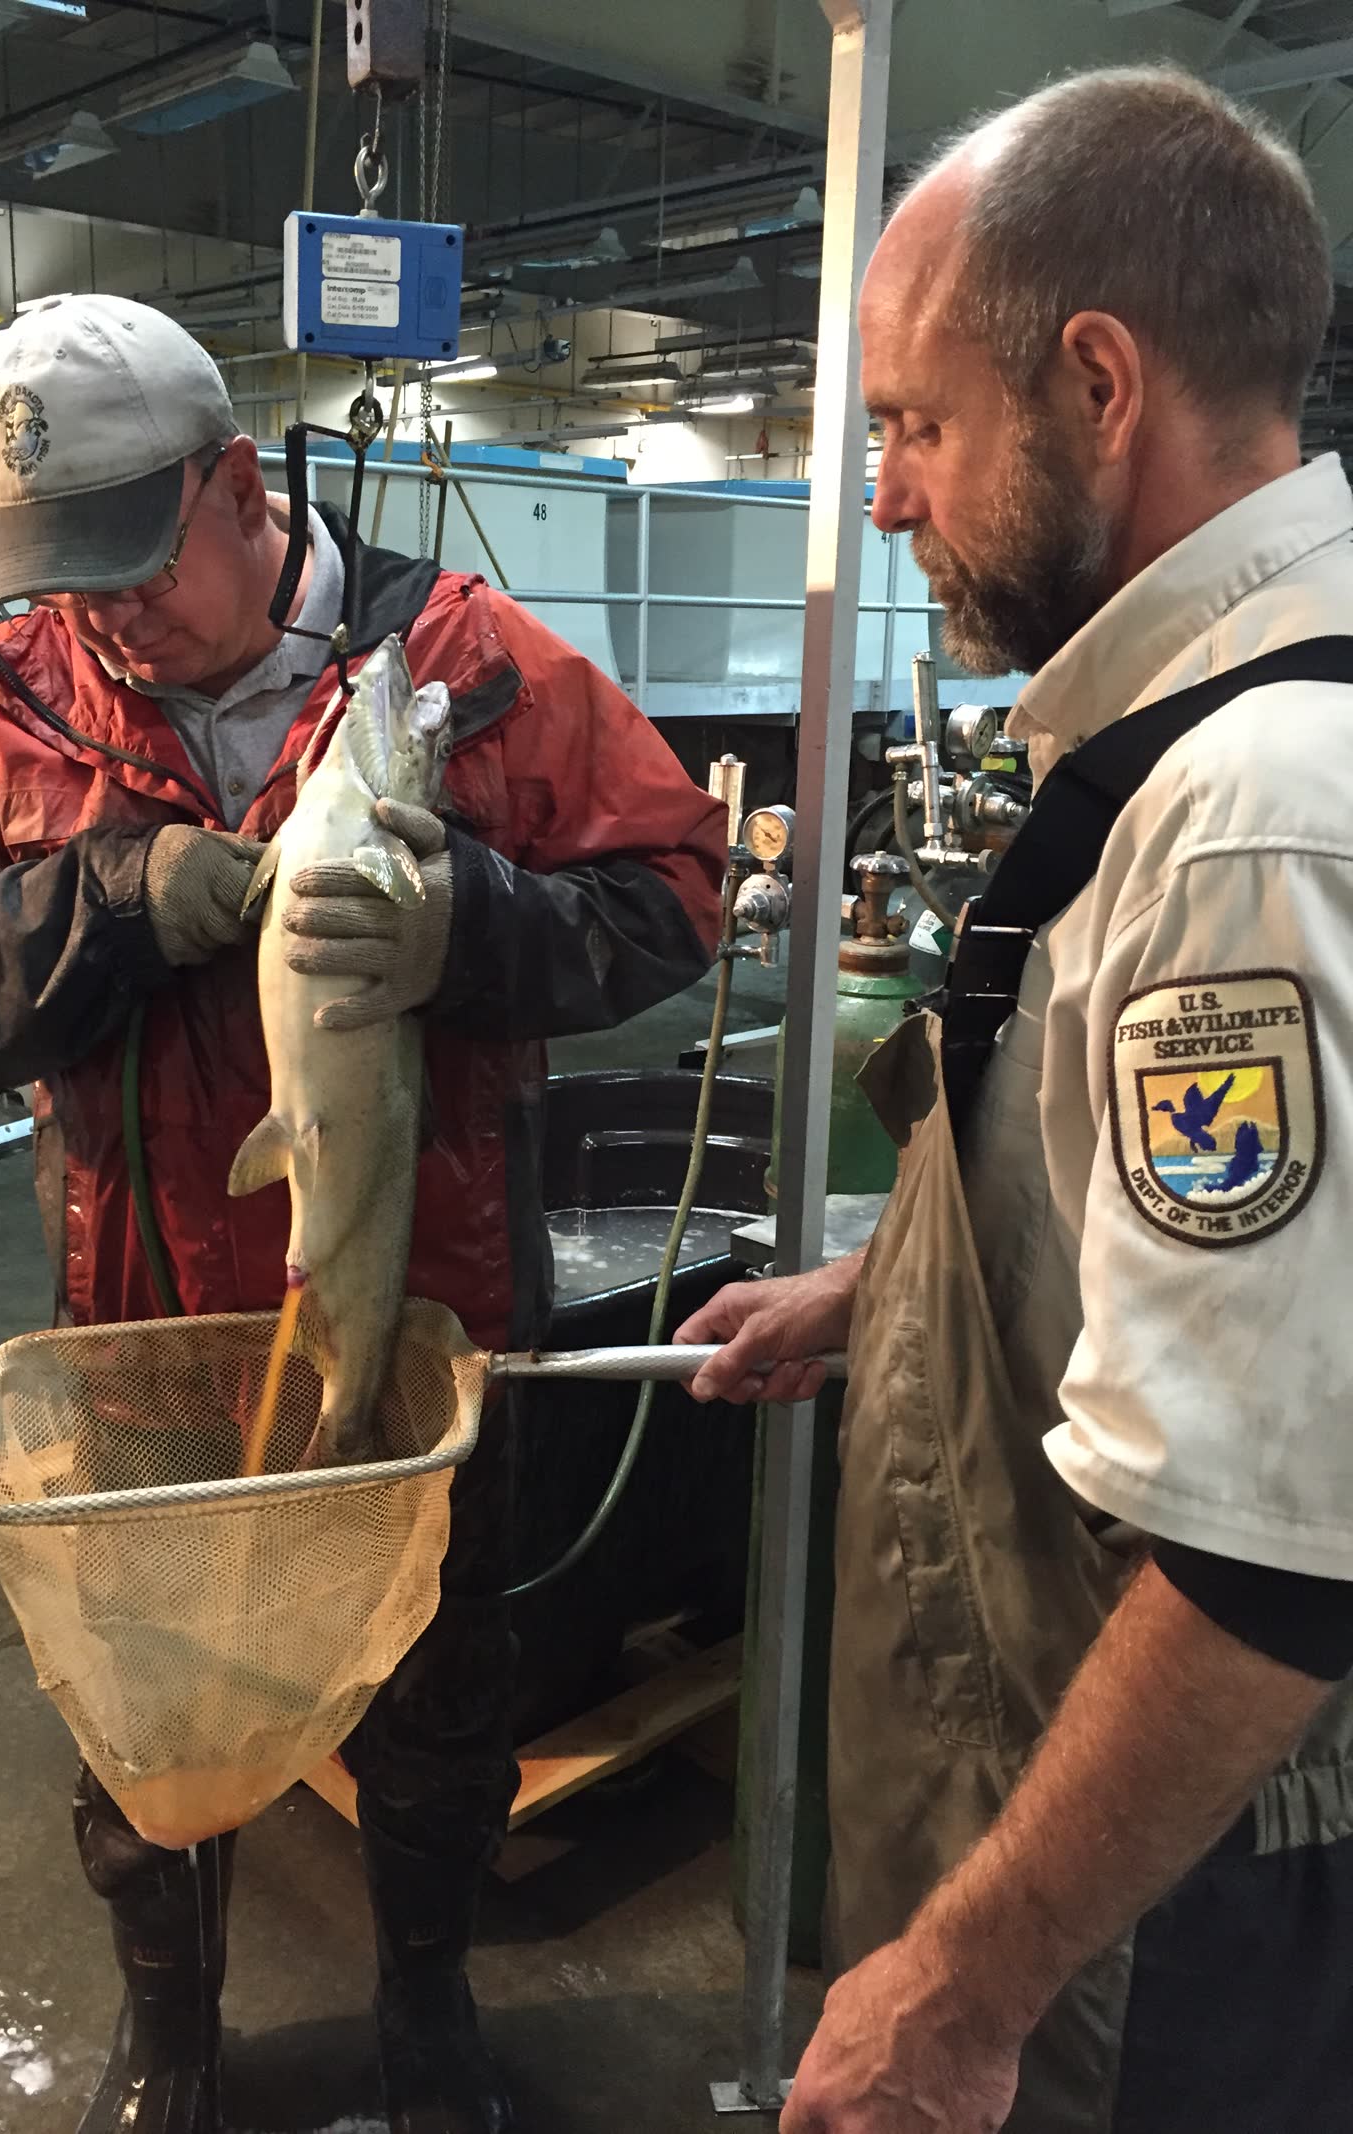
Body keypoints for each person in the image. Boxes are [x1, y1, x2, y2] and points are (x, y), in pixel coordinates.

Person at [0, 293, 726, 2134]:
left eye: (132, 560)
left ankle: (425, 2004)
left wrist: (468, 922)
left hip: (422, 1309)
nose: (96, 611)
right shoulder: (2, 697)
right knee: (144, 1704)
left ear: (239, 485)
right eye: (55, 569)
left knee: (432, 1686)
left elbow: (670, 890)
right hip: (143, 1320)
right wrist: (112, 898)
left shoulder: (464, 664)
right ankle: (171, 2030)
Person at [679, 64, 1353, 2134]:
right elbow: (1193, 1235)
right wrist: (889, 1282)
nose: (879, 492)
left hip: (1154, 1924)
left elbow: (1272, 1547)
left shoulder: (1245, 818)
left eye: (910, 423)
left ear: (1092, 383)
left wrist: (963, 1984)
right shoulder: (1187, 745)